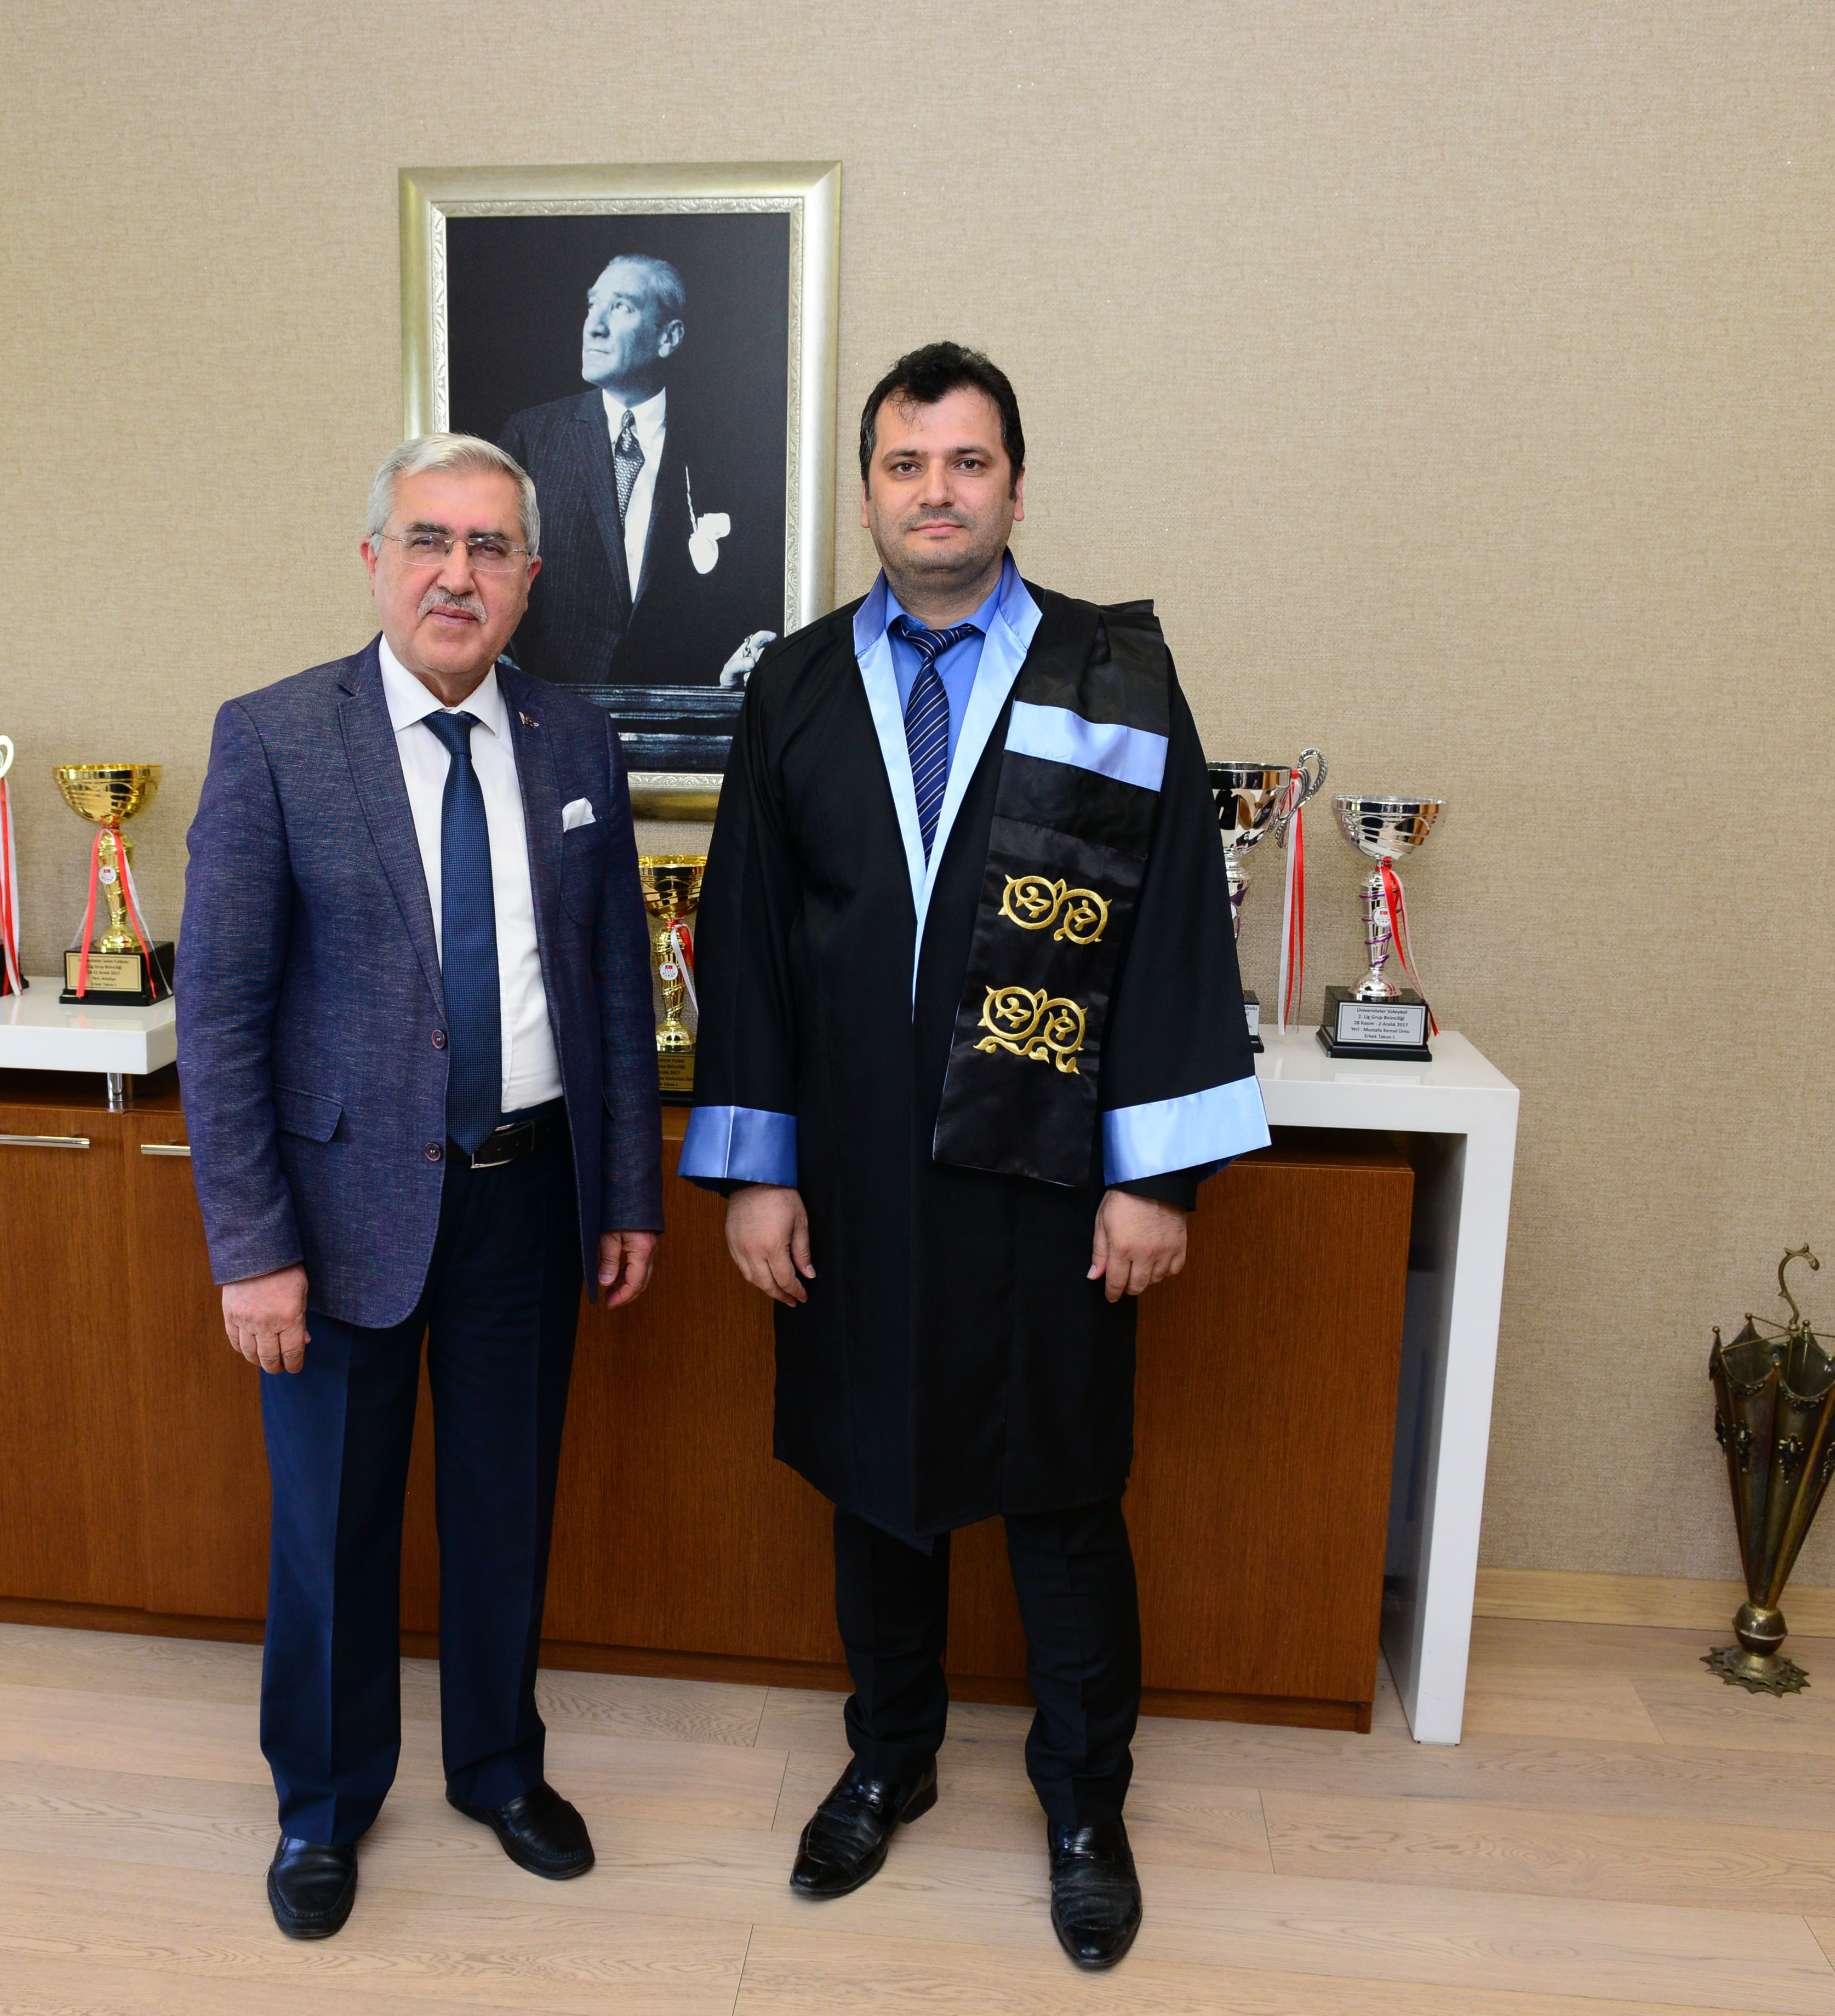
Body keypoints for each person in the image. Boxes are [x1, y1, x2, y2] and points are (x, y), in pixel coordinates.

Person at [682, 343, 1262, 1972]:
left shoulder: (1110, 678)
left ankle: (1084, 1804)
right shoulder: (796, 684)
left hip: (1048, 1172)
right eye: (903, 463)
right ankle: (889, 1756)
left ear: (1014, 482)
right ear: (867, 490)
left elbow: (1169, 934)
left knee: (1062, 1492)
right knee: (878, 1485)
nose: (933, 491)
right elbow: (749, 936)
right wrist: (757, 1167)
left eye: (966, 461)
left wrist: (1153, 1176)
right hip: (856, 1172)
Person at [175, 433, 665, 1943]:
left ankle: (498, 1767)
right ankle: (323, 1806)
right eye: (429, 540)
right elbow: (221, 1011)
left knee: (506, 1505)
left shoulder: (576, 742)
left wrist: (627, 1192)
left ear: (528, 576)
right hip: (336, 1214)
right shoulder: (275, 737)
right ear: (375, 560)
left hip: (529, 1192)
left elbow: (612, 983)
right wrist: (249, 1246)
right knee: (333, 1525)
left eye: (489, 546)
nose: (459, 573)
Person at [497, 255, 776, 686]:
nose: (594, 326)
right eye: (593, 305)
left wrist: (734, 664)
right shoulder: (532, 437)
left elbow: (751, 589)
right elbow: (490, 565)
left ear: (669, 337)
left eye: (621, 307)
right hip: (550, 709)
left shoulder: (729, 449)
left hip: (683, 708)